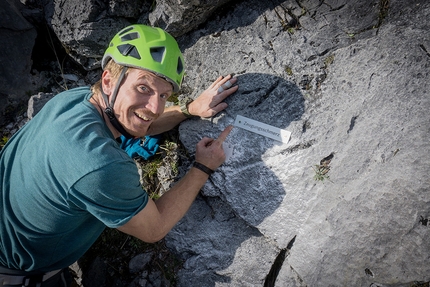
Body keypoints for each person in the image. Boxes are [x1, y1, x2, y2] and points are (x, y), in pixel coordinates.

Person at [0, 24, 238, 286]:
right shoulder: (101, 167)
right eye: (144, 88)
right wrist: (202, 167)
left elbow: (137, 122)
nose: (156, 107)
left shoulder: (72, 101)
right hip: (19, 273)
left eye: (164, 95)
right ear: (108, 81)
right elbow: (154, 228)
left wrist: (188, 109)